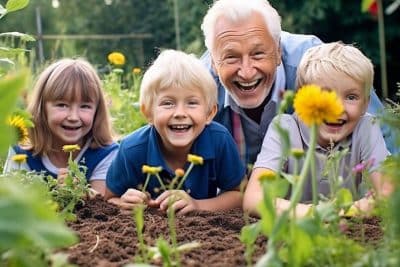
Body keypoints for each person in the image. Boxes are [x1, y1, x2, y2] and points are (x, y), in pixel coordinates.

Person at [200, 0, 395, 167]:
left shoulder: (321, 68)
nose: (247, 72)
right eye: (231, 57)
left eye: (258, 54)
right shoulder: (198, 87)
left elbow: (384, 136)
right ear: (214, 63)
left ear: (278, 51)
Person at [243, 42, 393, 217]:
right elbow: (254, 199)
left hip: (346, 232)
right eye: (325, 95)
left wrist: (338, 213)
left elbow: (388, 195)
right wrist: (318, 214)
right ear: (303, 97)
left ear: (365, 104)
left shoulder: (366, 128)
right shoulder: (285, 128)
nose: (337, 108)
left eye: (351, 97)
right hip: (295, 232)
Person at [105, 49, 246, 215]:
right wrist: (124, 203)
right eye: (168, 103)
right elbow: (109, 199)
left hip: (203, 234)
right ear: (148, 113)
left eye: (192, 103)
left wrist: (197, 206)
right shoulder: (132, 149)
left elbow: (240, 194)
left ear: (209, 113)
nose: (180, 113)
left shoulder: (219, 141)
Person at [3, 58, 118, 196]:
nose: (73, 117)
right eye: (62, 105)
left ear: (97, 111)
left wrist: (82, 193)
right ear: (42, 108)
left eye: (85, 106)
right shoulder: (21, 151)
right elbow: (10, 201)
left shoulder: (105, 153)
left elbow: (104, 206)